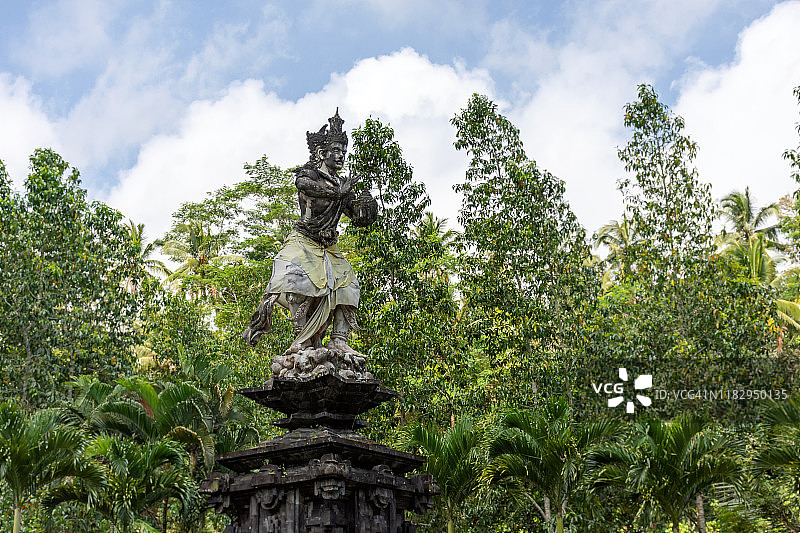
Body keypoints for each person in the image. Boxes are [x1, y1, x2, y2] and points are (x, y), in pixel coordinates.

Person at [243, 110, 377, 354]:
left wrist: (367, 207)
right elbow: (304, 186)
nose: (341, 157)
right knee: (294, 282)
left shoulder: (340, 184)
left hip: (329, 246)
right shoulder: (311, 175)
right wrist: (339, 194)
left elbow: (356, 217)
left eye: (344, 152)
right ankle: (302, 339)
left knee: (348, 286)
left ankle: (339, 339)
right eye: (336, 151)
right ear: (321, 154)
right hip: (304, 240)